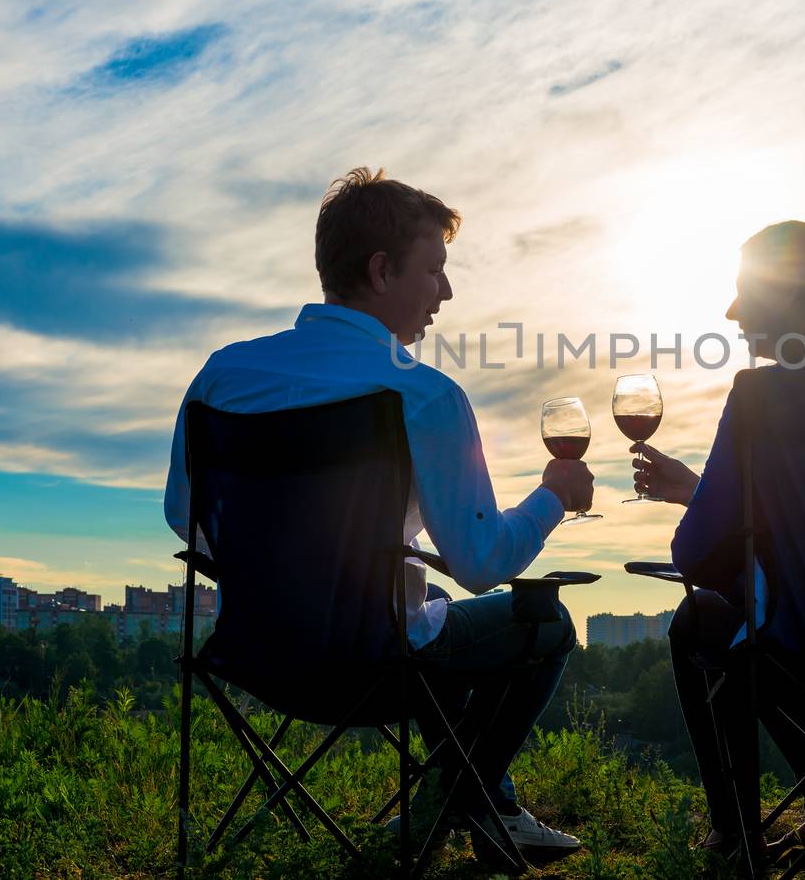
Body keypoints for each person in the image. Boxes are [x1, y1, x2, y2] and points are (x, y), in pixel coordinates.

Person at [164, 167, 592, 863]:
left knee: (427, 608)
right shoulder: (421, 395)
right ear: (383, 270)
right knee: (542, 621)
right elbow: (483, 562)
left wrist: (294, 565)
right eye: (436, 270)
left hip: (257, 657)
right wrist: (553, 499)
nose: (446, 292)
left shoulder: (223, 376)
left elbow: (185, 516)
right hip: (375, 667)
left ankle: (491, 807)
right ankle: (470, 800)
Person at [630, 220, 805, 865]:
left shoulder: (764, 397)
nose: (729, 312)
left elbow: (694, 554)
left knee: (708, 617)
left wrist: (705, 510)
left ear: (787, 298)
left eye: (743, 292)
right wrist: (704, 489)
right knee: (776, 617)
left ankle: (737, 833)